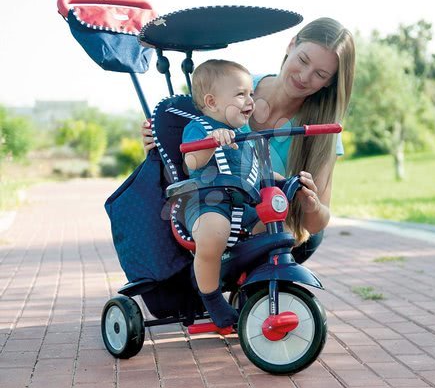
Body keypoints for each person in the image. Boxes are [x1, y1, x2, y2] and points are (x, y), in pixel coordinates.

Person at [142, 17, 355, 264]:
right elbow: (188, 136)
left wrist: (312, 205)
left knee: (306, 236)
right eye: (303, 60)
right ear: (291, 45)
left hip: (267, 220)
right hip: (213, 204)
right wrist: (154, 137)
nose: (305, 76)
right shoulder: (236, 85)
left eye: (320, 74)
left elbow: (317, 222)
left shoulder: (321, 132)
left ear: (330, 82)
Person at [180, 59, 284, 328]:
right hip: (206, 202)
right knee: (215, 230)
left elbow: (258, 172)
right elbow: (191, 162)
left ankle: (258, 285)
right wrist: (211, 143)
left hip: (242, 205)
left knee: (275, 220)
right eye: (241, 94)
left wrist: (284, 180)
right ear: (212, 102)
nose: (250, 100)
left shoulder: (244, 136)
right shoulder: (199, 128)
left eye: (251, 93)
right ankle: (212, 298)